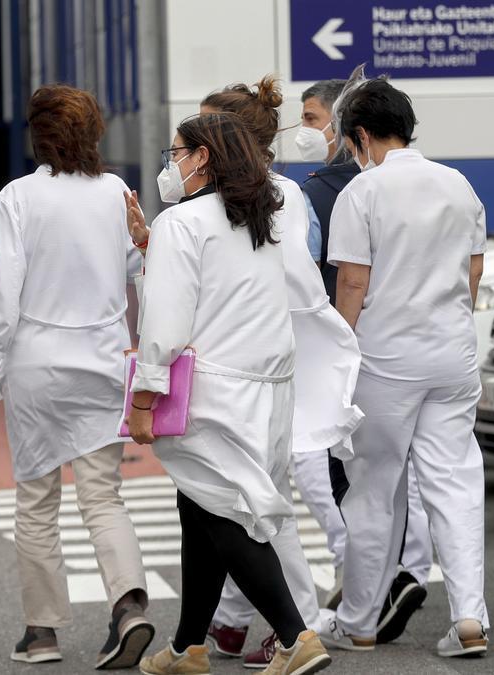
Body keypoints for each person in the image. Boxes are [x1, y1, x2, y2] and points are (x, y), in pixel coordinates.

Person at [129, 112, 331, 675]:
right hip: (266, 387)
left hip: (211, 391)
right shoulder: (259, 216)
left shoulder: (183, 222)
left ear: (202, 158)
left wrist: (145, 394)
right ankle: (189, 647)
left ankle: (295, 637)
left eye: (177, 153)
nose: (172, 164)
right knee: (202, 504)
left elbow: (165, 320)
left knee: (226, 512)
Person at [0, 84, 153, 670]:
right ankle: (129, 607)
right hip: (102, 359)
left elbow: (5, 287)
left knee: (36, 500)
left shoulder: (18, 197)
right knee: (104, 497)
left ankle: (41, 633)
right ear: (93, 132)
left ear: (39, 135)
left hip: (37, 365)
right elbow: (139, 267)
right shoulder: (116, 193)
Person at [193, 77, 362, 670]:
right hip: (268, 365)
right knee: (239, 497)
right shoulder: (284, 192)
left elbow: (282, 284)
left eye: (200, 136)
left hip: (251, 370)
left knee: (257, 499)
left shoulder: (256, 199)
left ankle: (300, 625)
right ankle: (236, 621)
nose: (187, 150)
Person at [319, 76, 490, 658]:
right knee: (455, 481)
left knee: (374, 491)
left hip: (385, 360)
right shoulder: (458, 184)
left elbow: (353, 282)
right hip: (451, 355)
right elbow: (473, 274)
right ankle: (470, 618)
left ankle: (360, 622)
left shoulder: (361, 194)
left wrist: (338, 355)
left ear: (361, 135)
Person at [298, 75, 434, 636]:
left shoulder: (328, 190)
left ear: (346, 129)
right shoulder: (437, 183)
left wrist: (340, 344)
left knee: (346, 479)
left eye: (309, 119)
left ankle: (370, 590)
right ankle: (411, 579)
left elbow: (340, 280)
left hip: (351, 348)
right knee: (411, 477)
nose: (302, 132)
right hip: (424, 348)